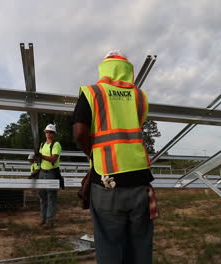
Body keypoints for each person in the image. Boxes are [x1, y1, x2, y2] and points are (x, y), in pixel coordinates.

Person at [72, 50, 154, 264]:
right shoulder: (139, 96)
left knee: (110, 246)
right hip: (141, 181)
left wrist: (93, 153)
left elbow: (80, 133)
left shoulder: (92, 92)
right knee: (140, 246)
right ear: (127, 69)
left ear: (104, 68)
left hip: (108, 182)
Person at [37, 124, 62, 228]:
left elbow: (53, 159)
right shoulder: (42, 144)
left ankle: (49, 221)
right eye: (47, 131)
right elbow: (39, 157)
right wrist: (36, 158)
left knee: (51, 197)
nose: (48, 133)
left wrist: (41, 156)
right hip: (42, 172)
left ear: (54, 134)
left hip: (51, 173)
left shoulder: (56, 145)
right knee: (43, 197)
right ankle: (43, 218)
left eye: (51, 132)